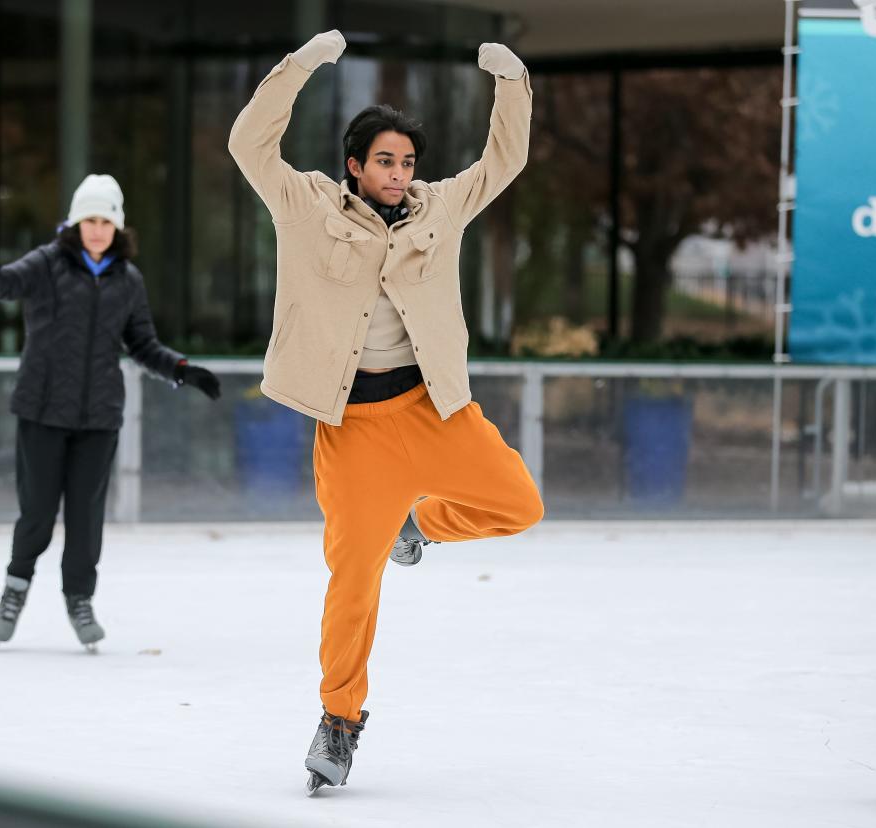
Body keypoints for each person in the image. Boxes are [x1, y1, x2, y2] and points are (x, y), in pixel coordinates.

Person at [228, 30, 544, 793]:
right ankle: (340, 721)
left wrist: (512, 80)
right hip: (354, 432)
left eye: (407, 162)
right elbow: (248, 142)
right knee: (352, 584)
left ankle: (418, 525)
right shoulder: (304, 204)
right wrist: (303, 64)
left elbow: (505, 159)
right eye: (385, 162)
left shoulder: (441, 208)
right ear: (355, 165)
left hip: (433, 411)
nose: (399, 174)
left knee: (519, 504)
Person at [0, 174, 222, 650]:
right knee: (37, 512)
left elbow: (141, 343)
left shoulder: (128, 280)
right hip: (42, 411)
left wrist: (182, 370)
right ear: (76, 223)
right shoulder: (48, 263)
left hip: (98, 419)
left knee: (86, 518)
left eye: (106, 220)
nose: (98, 229)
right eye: (90, 220)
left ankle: (80, 599)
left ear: (117, 226)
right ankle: (15, 589)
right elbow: (8, 283)